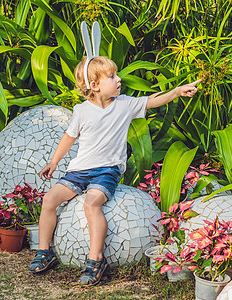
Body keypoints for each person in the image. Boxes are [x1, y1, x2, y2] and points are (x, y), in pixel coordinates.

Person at [28, 54, 201, 286]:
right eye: (112, 76)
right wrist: (54, 162)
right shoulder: (81, 110)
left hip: (106, 171)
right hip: (80, 170)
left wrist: (177, 91)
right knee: (49, 200)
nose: (119, 79)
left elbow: (153, 100)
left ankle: (95, 260)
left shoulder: (125, 105)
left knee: (92, 203)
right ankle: (44, 251)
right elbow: (69, 138)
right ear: (95, 85)